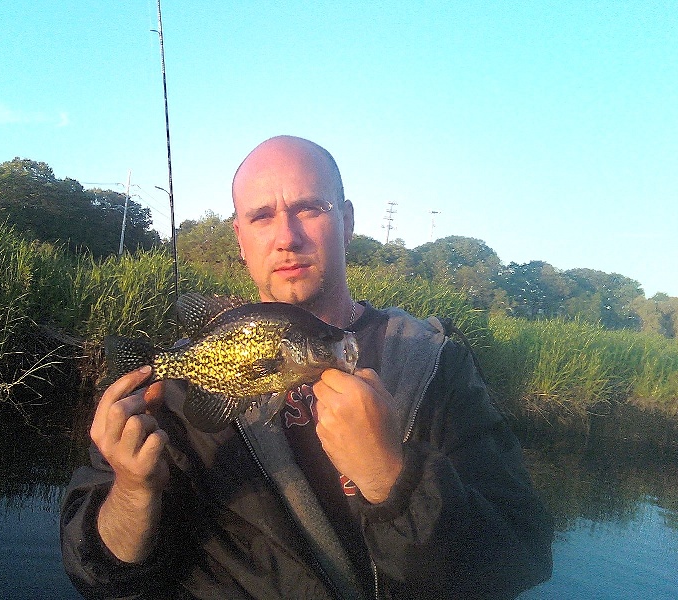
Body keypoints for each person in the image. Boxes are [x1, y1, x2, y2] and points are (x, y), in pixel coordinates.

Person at [60, 135, 553, 599]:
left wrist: (392, 480)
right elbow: (99, 577)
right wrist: (133, 490)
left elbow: (520, 559)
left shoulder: (434, 365)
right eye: (261, 217)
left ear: (348, 220)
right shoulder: (171, 395)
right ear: (239, 237)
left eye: (309, 208)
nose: (286, 237)